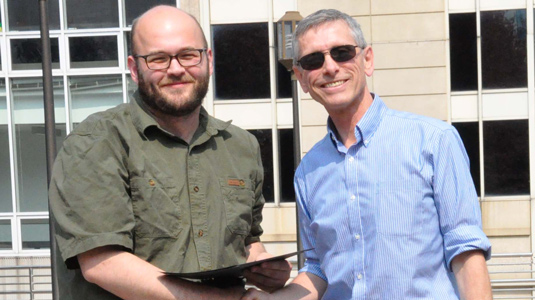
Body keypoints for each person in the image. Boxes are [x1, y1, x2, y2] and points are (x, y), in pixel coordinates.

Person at [242, 8, 492, 300]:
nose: (330, 67)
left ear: (368, 60)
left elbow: (465, 250)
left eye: (342, 52)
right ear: (301, 78)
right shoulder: (308, 171)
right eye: (313, 60)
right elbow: (318, 268)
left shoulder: (434, 141)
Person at [49, 5, 291, 300]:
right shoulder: (97, 142)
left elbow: (247, 240)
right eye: (158, 59)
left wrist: (263, 265)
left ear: (209, 60)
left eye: (188, 54)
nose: (176, 69)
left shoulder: (240, 146)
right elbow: (102, 264)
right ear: (134, 68)